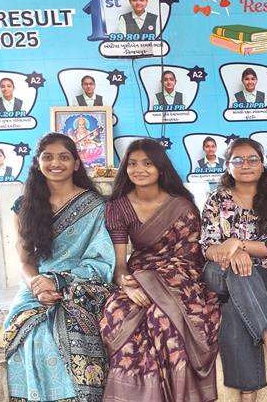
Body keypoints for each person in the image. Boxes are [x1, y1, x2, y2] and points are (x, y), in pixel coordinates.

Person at [100, 138, 222, 401]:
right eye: (132, 164)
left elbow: (191, 257)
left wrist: (154, 284)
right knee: (118, 312)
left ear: (160, 168)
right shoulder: (118, 207)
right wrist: (127, 286)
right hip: (140, 274)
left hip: (182, 276)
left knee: (161, 317)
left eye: (147, 163)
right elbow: (120, 264)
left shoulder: (181, 205)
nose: (139, 169)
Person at [4, 133, 116, 402]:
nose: (56, 163)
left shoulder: (96, 206)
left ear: (76, 164)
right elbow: (25, 261)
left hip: (83, 283)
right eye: (48, 157)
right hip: (36, 284)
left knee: (68, 327)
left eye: (64, 157)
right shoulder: (24, 207)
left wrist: (59, 281)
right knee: (30, 330)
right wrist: (37, 286)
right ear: (37, 162)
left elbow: (102, 261)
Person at [200, 138, 267, 402]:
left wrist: (237, 243)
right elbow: (207, 246)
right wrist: (234, 254)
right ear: (227, 165)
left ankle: (248, 394)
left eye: (253, 159)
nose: (246, 164)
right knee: (237, 270)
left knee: (234, 308)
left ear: (262, 165)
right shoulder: (216, 199)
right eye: (238, 160)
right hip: (218, 270)